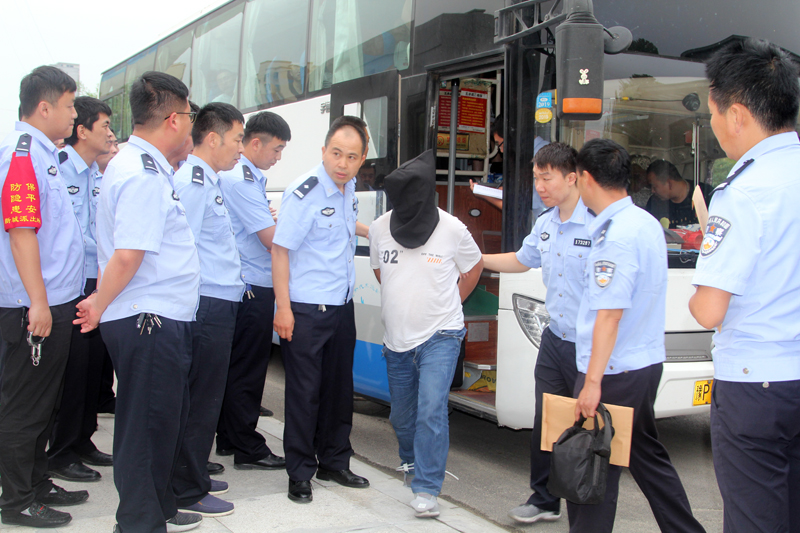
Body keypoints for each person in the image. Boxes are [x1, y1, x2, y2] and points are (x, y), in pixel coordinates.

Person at [73, 71, 203, 533]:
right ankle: (138, 524)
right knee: (147, 429)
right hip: (148, 318)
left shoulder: (144, 166)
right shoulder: (141, 172)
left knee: (164, 423)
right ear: (173, 119)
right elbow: (129, 255)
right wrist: (98, 303)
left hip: (159, 315)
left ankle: (158, 507)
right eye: (189, 114)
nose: (191, 123)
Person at [688, 39, 800, 533]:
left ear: (736, 114)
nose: (713, 125)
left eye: (712, 112)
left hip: (756, 385)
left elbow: (709, 310)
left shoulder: (743, 190)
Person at [570, 138, 705, 533]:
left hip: (613, 369)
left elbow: (609, 315)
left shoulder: (615, 236)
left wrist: (592, 382)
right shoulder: (643, 222)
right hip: (642, 362)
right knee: (645, 456)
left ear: (586, 178)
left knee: (592, 463)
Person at [481, 142, 591, 524]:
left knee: (589, 429)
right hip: (555, 339)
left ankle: (586, 505)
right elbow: (521, 259)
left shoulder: (598, 224)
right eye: (536, 178)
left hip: (590, 346)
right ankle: (544, 499)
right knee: (547, 422)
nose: (539, 186)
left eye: (547, 178)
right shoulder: (545, 223)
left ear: (572, 177)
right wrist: (477, 260)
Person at [369, 149, 483, 518]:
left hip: (442, 335)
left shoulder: (453, 229)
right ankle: (411, 462)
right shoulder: (379, 228)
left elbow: (474, 267)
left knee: (431, 410)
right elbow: (380, 271)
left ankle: (427, 487)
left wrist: (453, 300)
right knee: (402, 418)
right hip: (397, 340)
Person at [0, 65, 88, 529]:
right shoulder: (21, 155)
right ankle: (16, 501)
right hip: (31, 306)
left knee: (43, 404)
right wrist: (37, 302)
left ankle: (36, 483)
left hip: (52, 300)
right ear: (44, 107)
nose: (74, 115)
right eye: (70, 106)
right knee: (24, 407)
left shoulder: (43, 154)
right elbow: (21, 232)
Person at [272, 116, 370, 504]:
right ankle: (299, 472)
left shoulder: (349, 189)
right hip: (306, 308)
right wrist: (283, 308)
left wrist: (374, 230)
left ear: (362, 159)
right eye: (336, 154)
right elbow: (280, 251)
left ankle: (334, 460)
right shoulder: (304, 192)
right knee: (304, 393)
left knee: (338, 390)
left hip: (341, 305)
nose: (342, 163)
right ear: (324, 151)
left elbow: (346, 229)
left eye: (351, 156)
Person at [172, 102, 247, 517]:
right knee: (199, 398)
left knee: (207, 395)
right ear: (214, 138)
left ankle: (194, 471)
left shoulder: (208, 179)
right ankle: (187, 487)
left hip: (218, 301)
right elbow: (183, 248)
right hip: (206, 303)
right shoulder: (194, 181)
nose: (241, 148)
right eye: (238, 139)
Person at [216, 111, 290, 471]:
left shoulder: (244, 177)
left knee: (237, 368)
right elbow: (270, 240)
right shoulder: (241, 180)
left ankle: (230, 437)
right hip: (251, 286)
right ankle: (247, 446)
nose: (278, 158)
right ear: (255, 143)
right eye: (276, 149)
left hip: (247, 283)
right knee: (247, 371)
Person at [48, 97, 114, 484]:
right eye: (104, 125)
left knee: (92, 366)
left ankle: (82, 439)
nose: (110, 133)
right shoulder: (58, 169)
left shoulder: (96, 173)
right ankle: (61, 451)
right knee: (72, 371)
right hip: (70, 281)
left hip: (97, 280)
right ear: (83, 131)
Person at [469, 115, 549, 217]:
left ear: (511, 137)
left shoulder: (541, 156)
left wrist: (484, 195)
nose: (502, 150)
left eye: (500, 144)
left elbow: (519, 206)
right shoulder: (537, 151)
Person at [94, 129, 119, 418]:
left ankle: (102, 398)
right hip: (92, 275)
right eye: (109, 142)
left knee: (100, 359)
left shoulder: (105, 179)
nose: (114, 148)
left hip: (105, 274)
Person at [645, 160, 711, 228]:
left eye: (654, 187)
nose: (652, 191)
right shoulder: (654, 203)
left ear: (669, 184)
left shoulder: (706, 195)